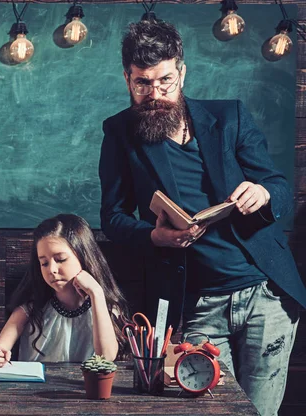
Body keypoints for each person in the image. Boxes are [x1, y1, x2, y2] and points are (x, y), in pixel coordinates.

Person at [99, 20, 305, 416]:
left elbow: (277, 186)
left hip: (266, 294)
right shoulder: (120, 132)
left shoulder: (231, 118)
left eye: (165, 81)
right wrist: (155, 237)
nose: (154, 94)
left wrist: (261, 192)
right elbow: (113, 217)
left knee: (260, 412)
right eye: (142, 83)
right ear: (127, 77)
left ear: (182, 72)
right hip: (195, 304)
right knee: (209, 410)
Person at [0, 214, 129, 367]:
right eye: (44, 263)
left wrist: (96, 293)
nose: (52, 270)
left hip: (83, 388)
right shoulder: (29, 310)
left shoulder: (105, 307)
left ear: (83, 256)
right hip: (32, 388)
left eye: (60, 260)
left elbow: (106, 357)